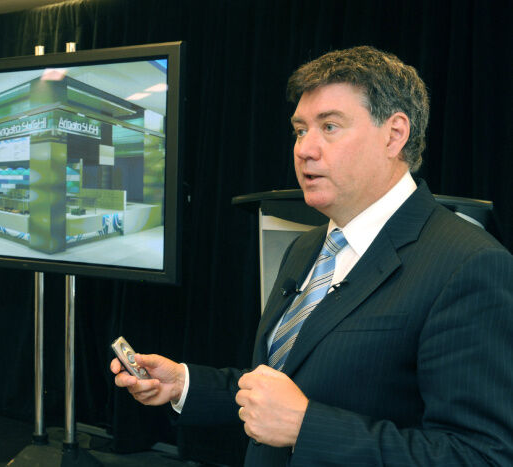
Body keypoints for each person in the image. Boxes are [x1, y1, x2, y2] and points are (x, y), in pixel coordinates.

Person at [110, 46, 513, 466]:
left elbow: (481, 455)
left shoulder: (469, 265)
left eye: (330, 127)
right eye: (300, 130)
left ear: (394, 135)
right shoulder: (307, 246)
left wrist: (307, 428)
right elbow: (283, 386)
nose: (304, 150)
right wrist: (183, 384)